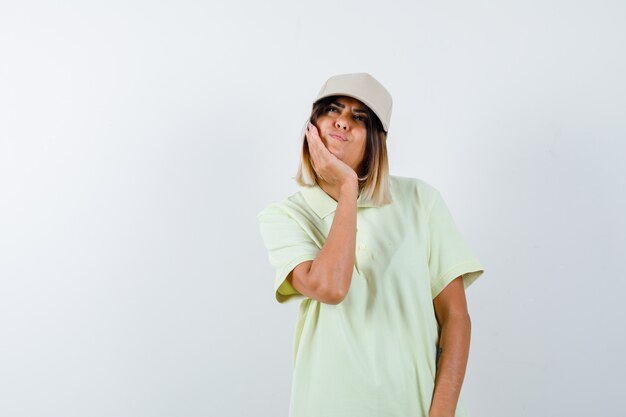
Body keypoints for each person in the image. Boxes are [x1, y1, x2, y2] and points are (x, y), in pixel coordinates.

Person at [256, 73, 485, 417]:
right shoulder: (286, 216)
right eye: (332, 109)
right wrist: (347, 189)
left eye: (359, 117)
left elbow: (456, 318)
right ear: (312, 127)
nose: (342, 122)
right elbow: (330, 287)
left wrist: (442, 414)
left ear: (376, 140)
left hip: (416, 407)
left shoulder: (420, 202)